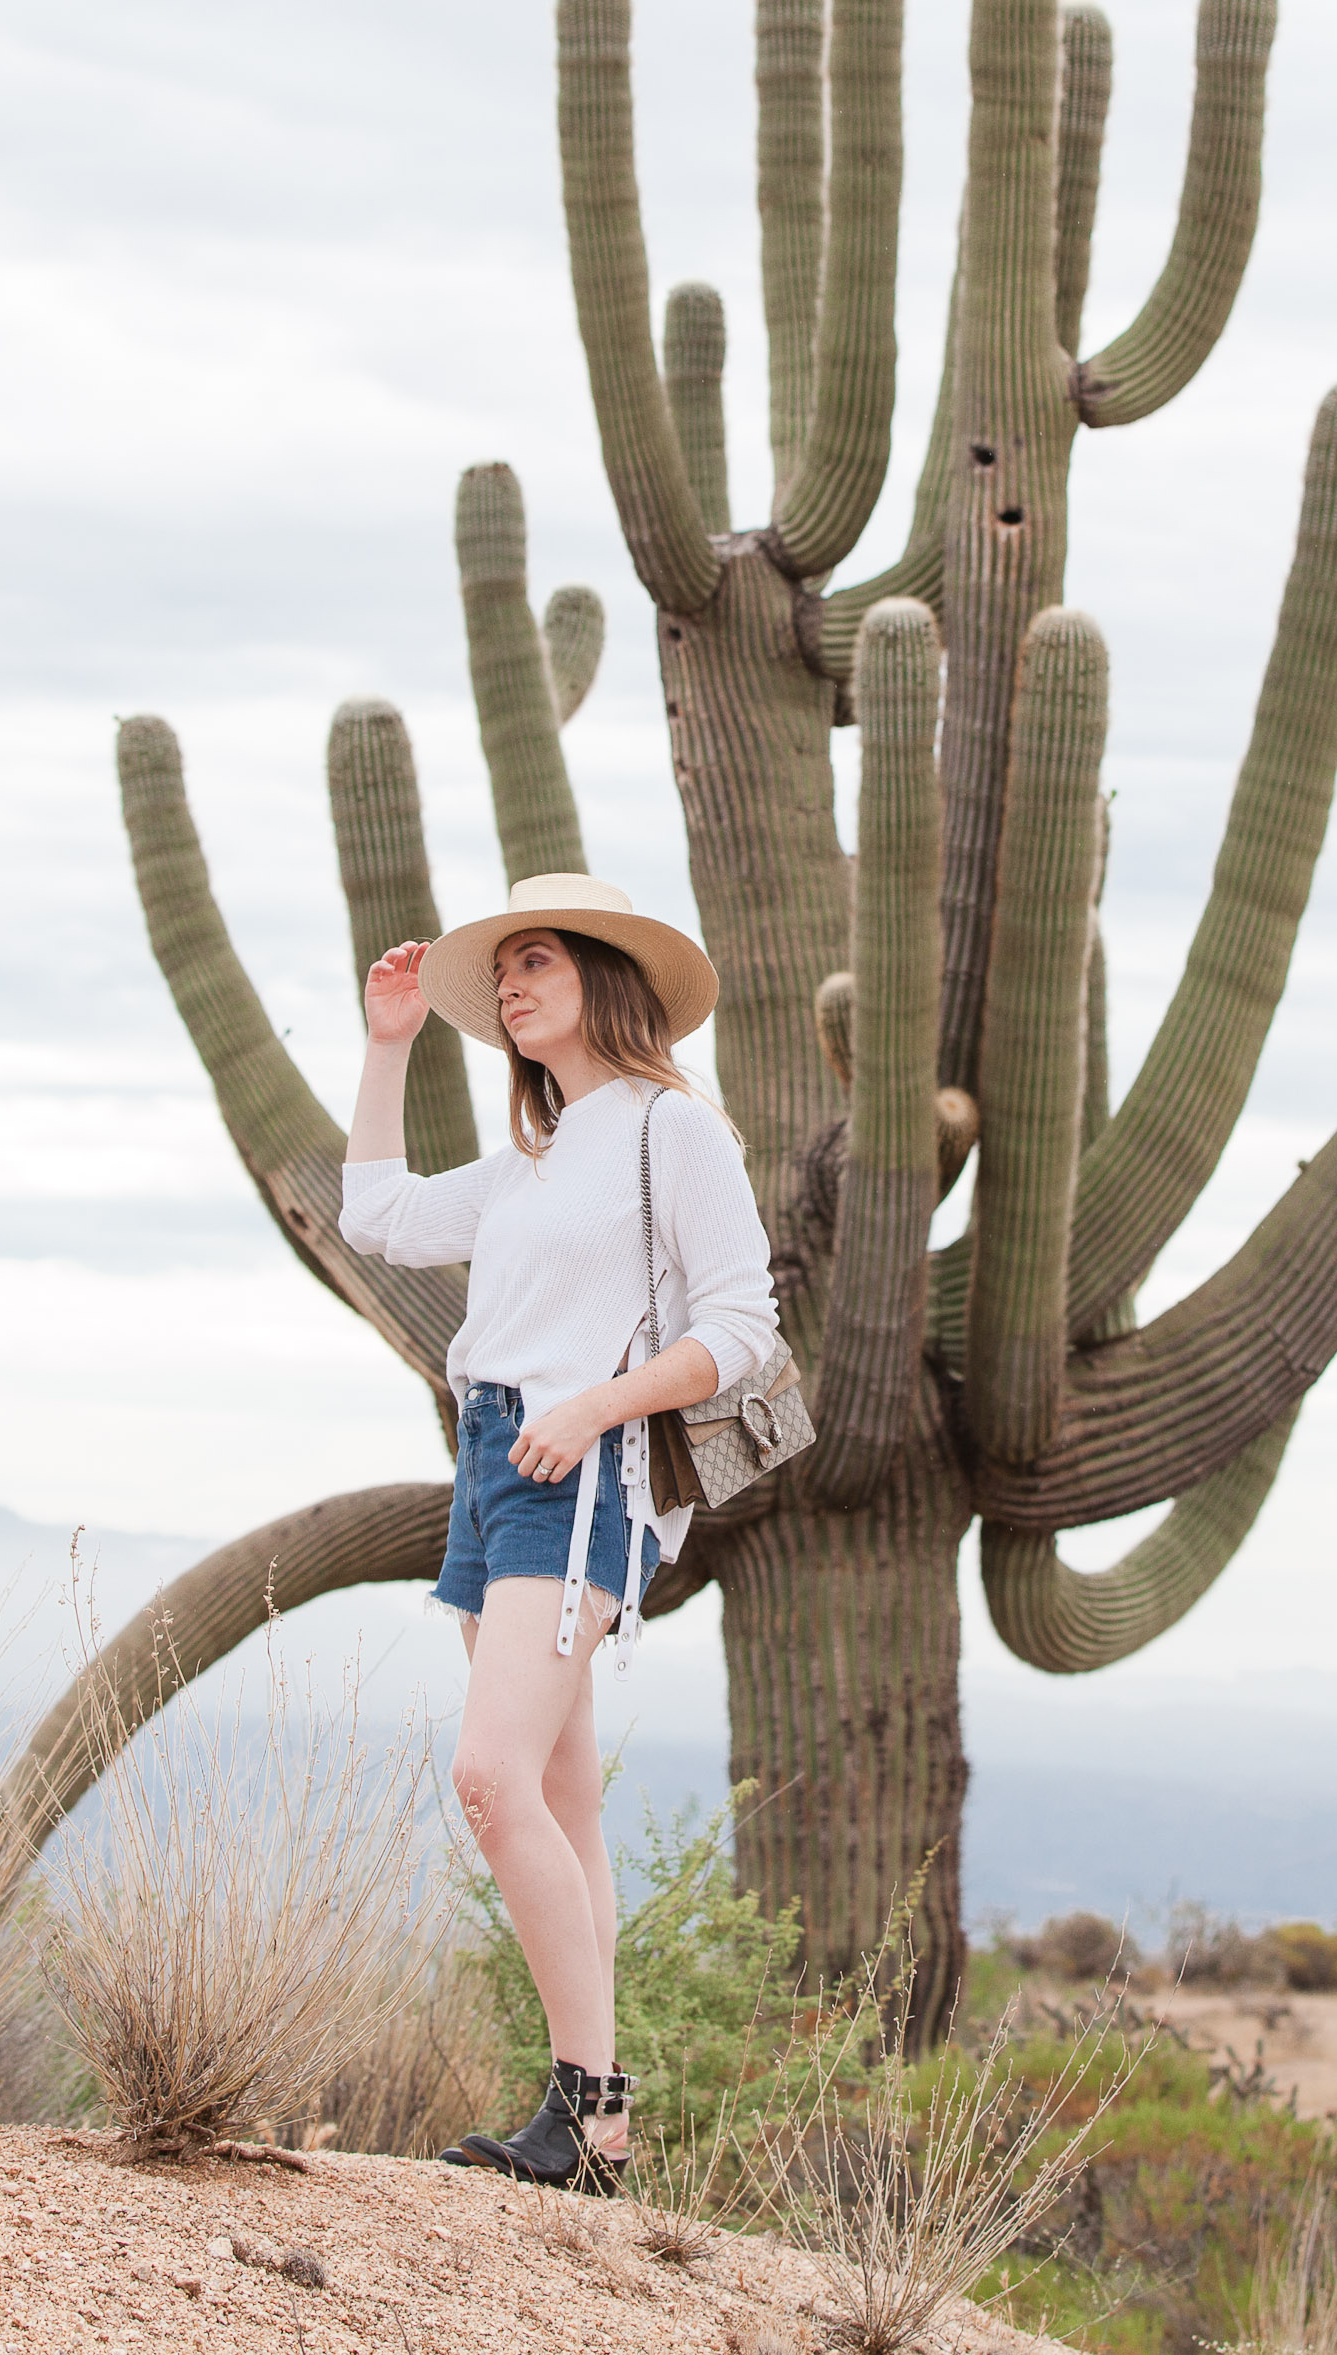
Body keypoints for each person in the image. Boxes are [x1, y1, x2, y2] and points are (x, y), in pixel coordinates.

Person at [337, 872, 780, 2193]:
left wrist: (598, 1406)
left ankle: (584, 2111)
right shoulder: (534, 1158)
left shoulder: (670, 1133)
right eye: (504, 970)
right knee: (561, 1800)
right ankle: (604, 2135)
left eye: (538, 961)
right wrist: (387, 1048)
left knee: (490, 1779)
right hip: (492, 1460)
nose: (514, 985)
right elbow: (377, 1218)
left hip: (575, 1468)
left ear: (605, 977)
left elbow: (744, 1328)